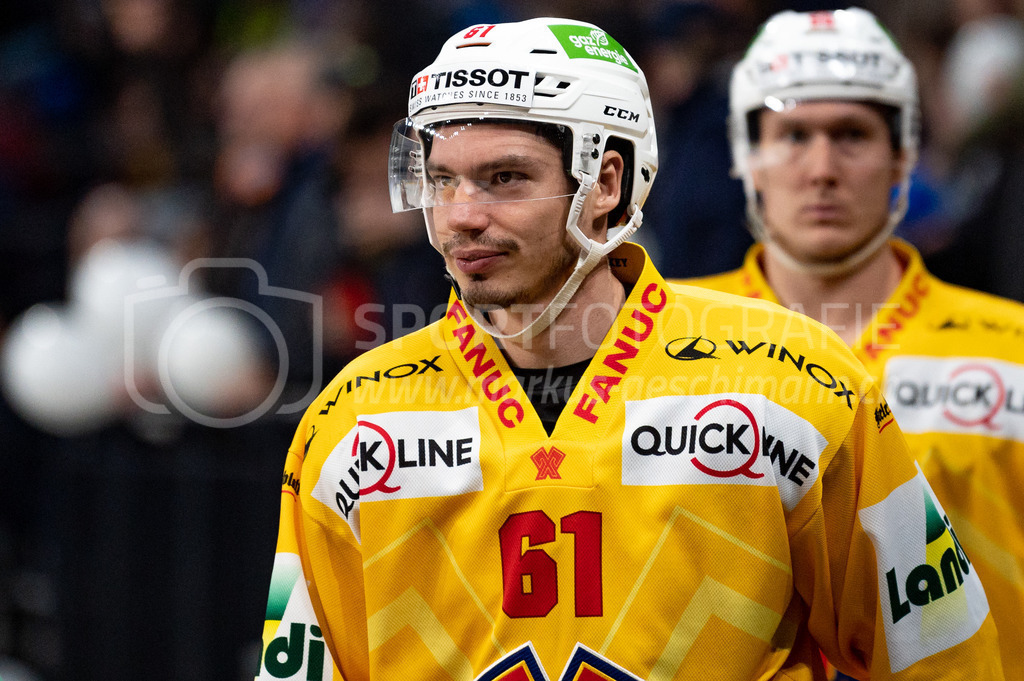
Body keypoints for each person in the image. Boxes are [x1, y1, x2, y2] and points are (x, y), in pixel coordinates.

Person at [255, 16, 1003, 681]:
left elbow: (941, 654)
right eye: (442, 180)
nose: (462, 216)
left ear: (605, 182)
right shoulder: (352, 420)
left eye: (505, 178)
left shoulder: (794, 381)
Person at [676, 7, 1024, 680]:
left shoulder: (1013, 352)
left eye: (852, 135)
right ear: (748, 158)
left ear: (902, 156)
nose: (822, 169)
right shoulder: (658, 342)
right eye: (792, 135)